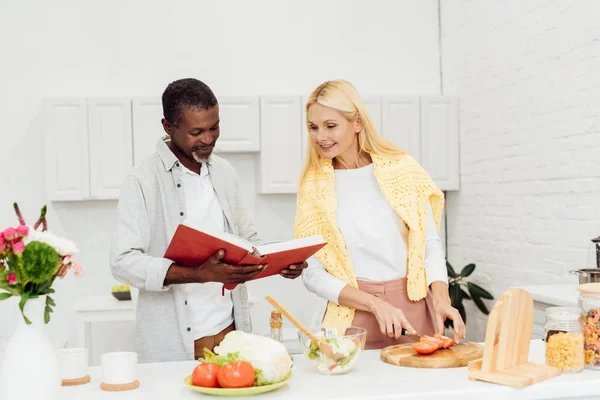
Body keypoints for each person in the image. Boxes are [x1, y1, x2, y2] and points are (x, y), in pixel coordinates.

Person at [110, 78, 307, 363]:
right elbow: (122, 261)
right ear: (168, 127)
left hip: (230, 331)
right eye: (196, 131)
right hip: (176, 341)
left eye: (214, 127)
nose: (208, 138)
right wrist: (200, 273)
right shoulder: (142, 180)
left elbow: (249, 241)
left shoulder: (225, 172)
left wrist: (280, 262)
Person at [293, 79, 466, 350]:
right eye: (313, 127)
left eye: (330, 125)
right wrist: (374, 303)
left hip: (412, 306)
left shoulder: (403, 170)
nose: (320, 137)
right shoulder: (313, 187)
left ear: (357, 123)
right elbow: (313, 273)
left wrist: (442, 299)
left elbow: (429, 245)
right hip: (351, 313)